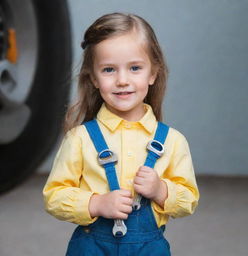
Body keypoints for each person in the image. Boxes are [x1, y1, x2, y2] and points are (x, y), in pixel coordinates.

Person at [43, 12, 199, 256]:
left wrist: (161, 190)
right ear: (93, 78)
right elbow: (54, 196)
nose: (122, 80)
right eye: (109, 70)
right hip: (92, 246)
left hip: (149, 247)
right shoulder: (80, 139)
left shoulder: (173, 141)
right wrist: (95, 204)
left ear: (153, 73)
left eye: (135, 67)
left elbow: (189, 200)